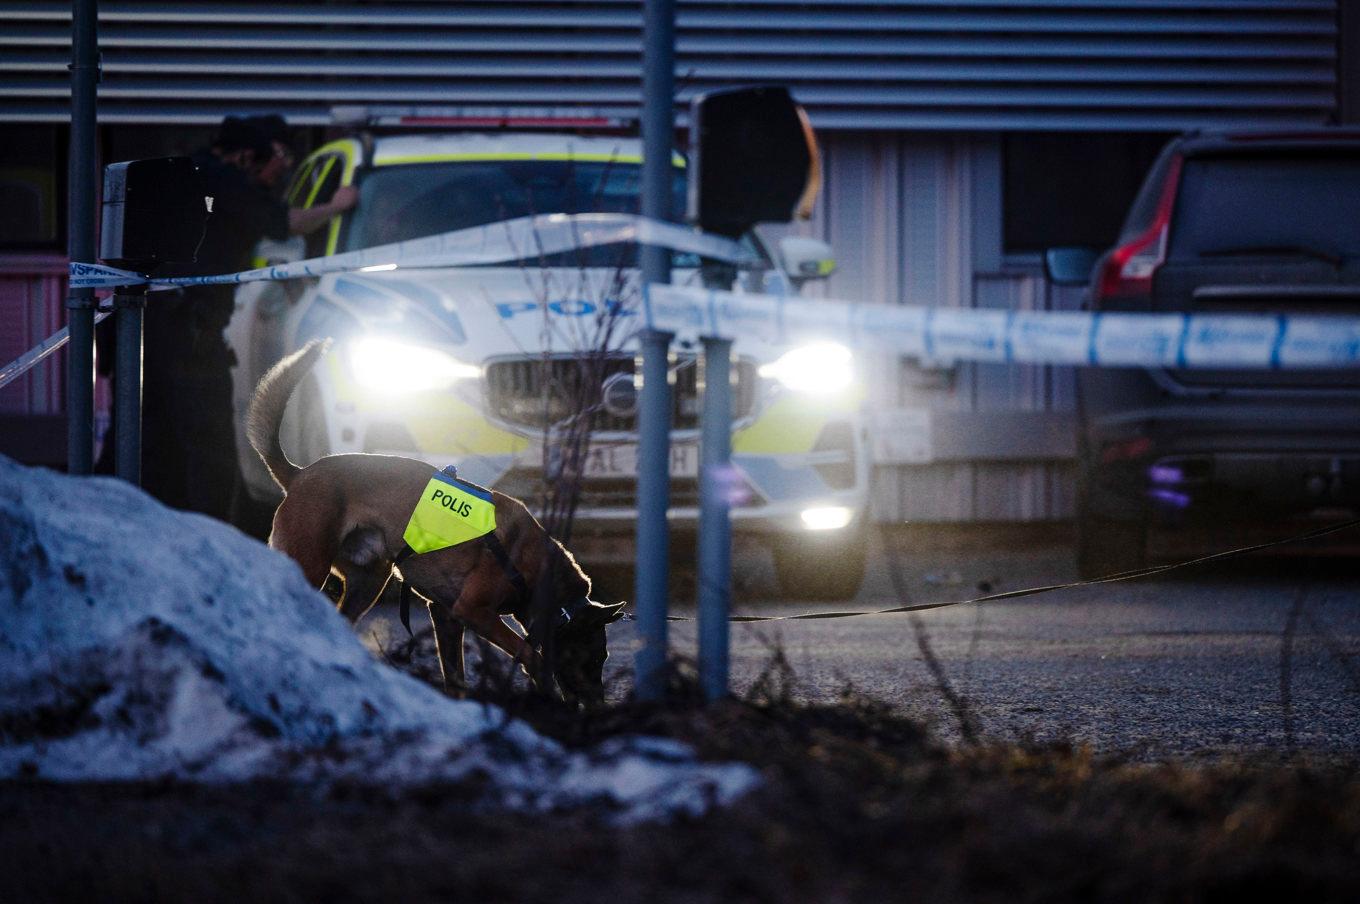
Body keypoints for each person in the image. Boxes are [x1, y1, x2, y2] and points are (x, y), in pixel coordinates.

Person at [96, 115, 357, 521]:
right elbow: (287, 224)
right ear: (249, 156)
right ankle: (210, 536)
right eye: (280, 157)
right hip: (188, 332)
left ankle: (111, 521)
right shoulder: (231, 184)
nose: (282, 170)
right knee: (208, 445)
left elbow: (223, 240)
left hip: (135, 328)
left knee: (138, 437)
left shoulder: (187, 174)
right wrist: (338, 206)